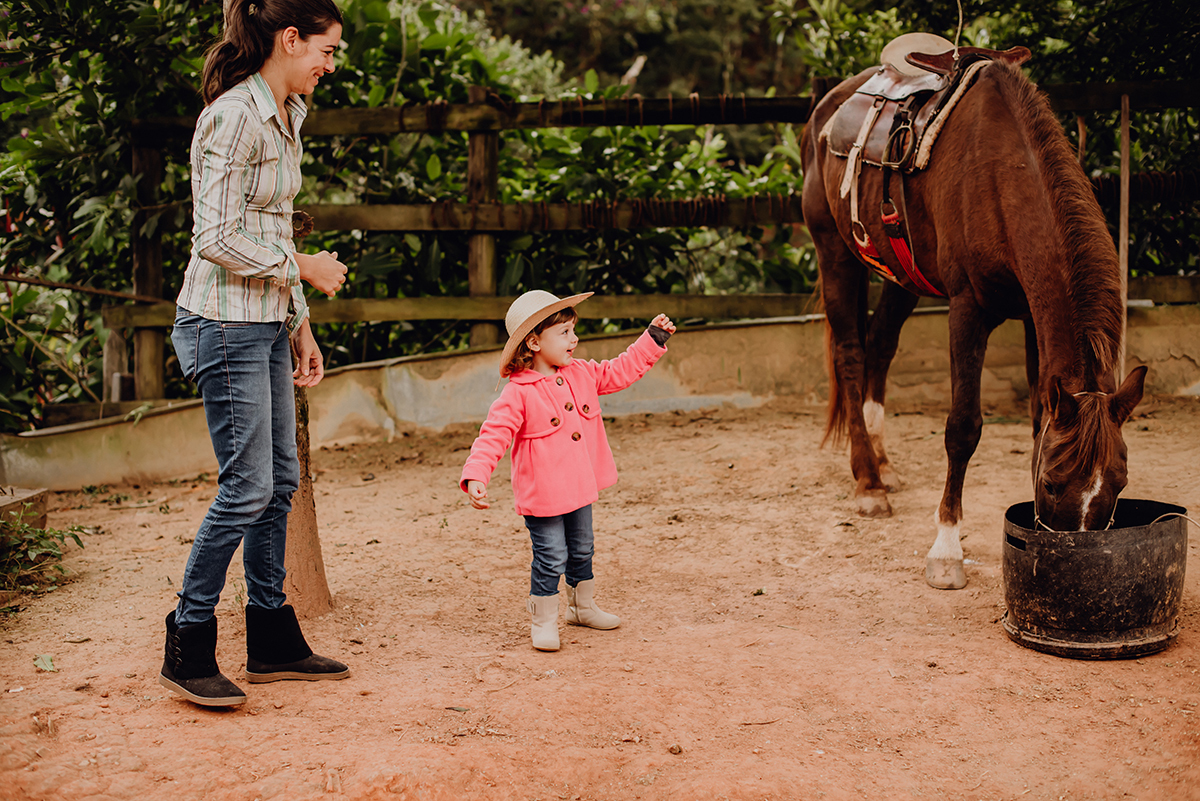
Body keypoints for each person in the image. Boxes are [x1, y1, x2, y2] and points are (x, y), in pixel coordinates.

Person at [160, 0, 350, 707]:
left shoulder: (288, 111)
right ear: (289, 39)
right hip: (222, 321)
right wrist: (301, 267)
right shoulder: (235, 115)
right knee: (246, 487)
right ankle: (188, 642)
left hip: (265, 320)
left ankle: (271, 636)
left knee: (278, 482)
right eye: (326, 51)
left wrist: (299, 322)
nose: (331, 66)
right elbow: (214, 236)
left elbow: (266, 221)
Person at [460, 290, 677, 651]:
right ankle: (543, 620)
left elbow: (619, 370)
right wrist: (476, 475)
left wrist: (651, 341)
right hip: (544, 496)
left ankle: (582, 607)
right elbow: (493, 435)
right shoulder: (517, 393)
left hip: (580, 488)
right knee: (551, 556)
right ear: (533, 341)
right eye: (563, 332)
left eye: (573, 330)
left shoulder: (581, 373)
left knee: (582, 548)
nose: (574, 339)